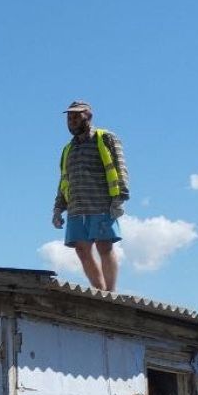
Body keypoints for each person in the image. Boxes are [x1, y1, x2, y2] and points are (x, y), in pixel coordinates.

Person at [51, 100, 129, 292]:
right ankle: (99, 291)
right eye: (69, 118)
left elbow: (120, 168)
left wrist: (121, 197)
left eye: (77, 116)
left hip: (101, 204)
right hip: (76, 207)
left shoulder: (105, 138)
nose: (72, 121)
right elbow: (64, 181)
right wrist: (57, 209)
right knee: (81, 250)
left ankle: (110, 293)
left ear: (88, 116)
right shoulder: (68, 149)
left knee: (104, 246)